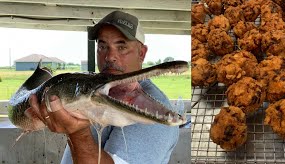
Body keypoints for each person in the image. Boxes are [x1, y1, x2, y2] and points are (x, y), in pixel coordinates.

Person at [29, 11, 179, 163]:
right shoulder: (96, 88)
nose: (109, 57)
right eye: (102, 46)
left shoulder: (155, 113)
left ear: (141, 53)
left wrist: (77, 133)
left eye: (122, 47)